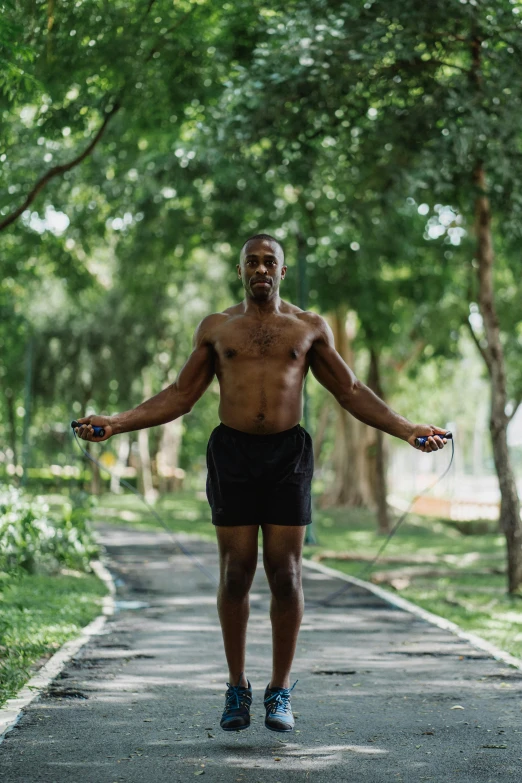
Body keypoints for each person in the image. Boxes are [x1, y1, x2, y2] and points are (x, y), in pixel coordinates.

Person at [75, 233, 449, 733]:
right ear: (240, 271)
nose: (260, 269)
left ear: (282, 271)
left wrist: (407, 429)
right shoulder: (217, 329)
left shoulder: (308, 328)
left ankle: (278, 690)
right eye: (251, 261)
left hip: (287, 455)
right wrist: (118, 422)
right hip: (231, 454)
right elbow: (182, 395)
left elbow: (351, 391)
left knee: (286, 574)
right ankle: (236, 687)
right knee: (235, 573)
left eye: (269, 261)